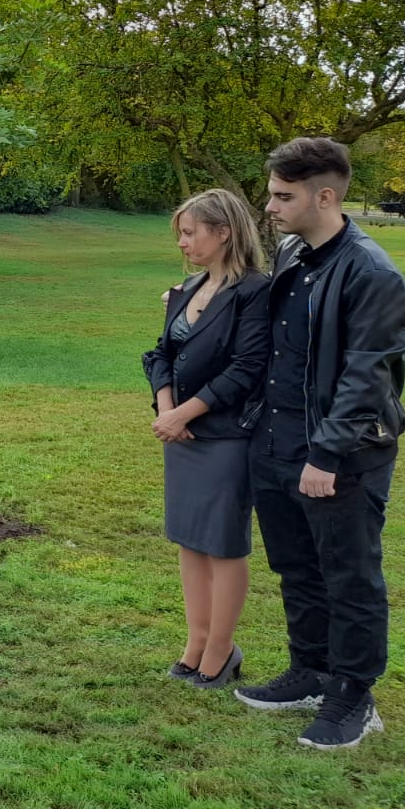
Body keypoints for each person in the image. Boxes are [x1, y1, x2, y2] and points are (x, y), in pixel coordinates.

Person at [235, 137, 405, 750]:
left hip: (340, 456)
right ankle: (310, 671)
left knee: (349, 575)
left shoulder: (372, 273)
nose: (271, 207)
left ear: (326, 196)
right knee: (296, 567)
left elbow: (368, 375)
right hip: (274, 442)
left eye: (283, 196)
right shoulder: (292, 253)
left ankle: (353, 695)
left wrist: (326, 455)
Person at [143, 189, 270, 690]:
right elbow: (160, 355)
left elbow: (247, 368)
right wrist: (167, 410)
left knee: (222, 544)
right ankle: (195, 642)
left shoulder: (255, 291)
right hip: (182, 435)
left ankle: (222, 649)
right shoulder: (189, 288)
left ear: (225, 232)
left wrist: (185, 413)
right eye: (181, 233)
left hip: (225, 437)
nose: (182, 242)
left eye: (190, 232)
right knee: (190, 540)